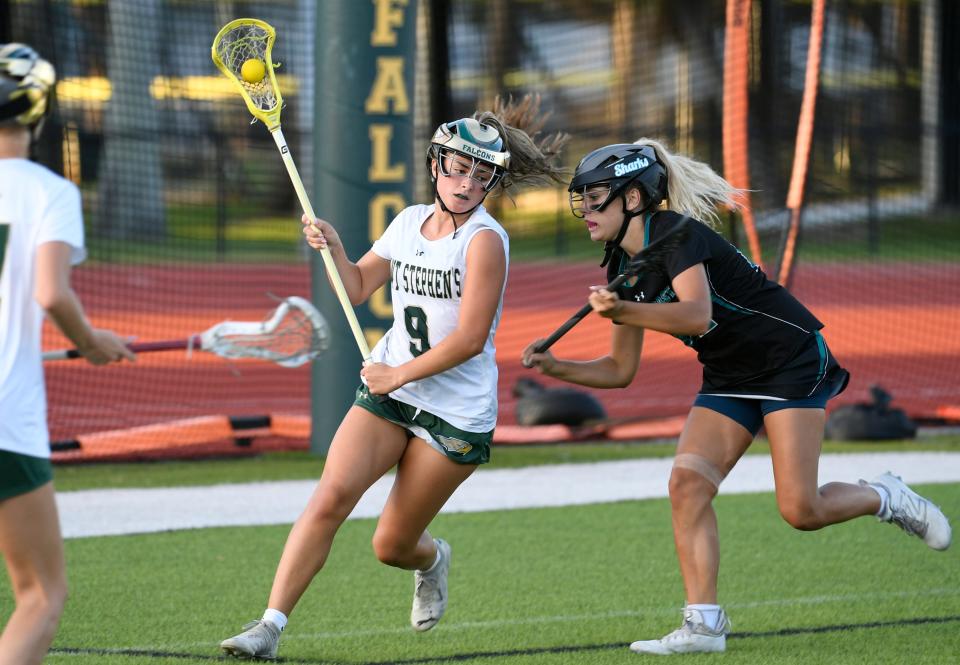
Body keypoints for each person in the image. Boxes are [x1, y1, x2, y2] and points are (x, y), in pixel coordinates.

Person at [522, 139, 952, 655]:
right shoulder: (621, 267)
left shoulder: (676, 235)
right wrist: (556, 367)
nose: (585, 210)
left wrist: (623, 312)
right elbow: (620, 371)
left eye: (596, 198)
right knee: (686, 485)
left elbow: (696, 315)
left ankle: (885, 495)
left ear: (633, 199)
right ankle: (704, 625)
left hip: (787, 358)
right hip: (729, 372)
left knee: (801, 509)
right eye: (583, 199)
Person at [220, 96, 566, 659]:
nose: (466, 182)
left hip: (454, 413)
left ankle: (432, 560)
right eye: (457, 167)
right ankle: (269, 627)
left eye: (480, 174)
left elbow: (470, 338)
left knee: (391, 544)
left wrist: (396, 372)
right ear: (436, 166)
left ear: (489, 185)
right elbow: (356, 287)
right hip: (393, 392)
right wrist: (332, 246)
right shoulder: (407, 223)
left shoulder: (485, 241)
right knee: (330, 498)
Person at [0, 43, 135, 665]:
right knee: (40, 596)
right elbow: (52, 292)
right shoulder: (48, 191)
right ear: (39, 112)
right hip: (7, 417)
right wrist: (91, 343)